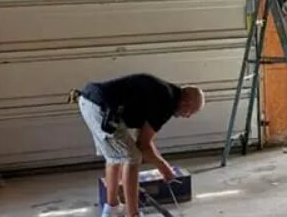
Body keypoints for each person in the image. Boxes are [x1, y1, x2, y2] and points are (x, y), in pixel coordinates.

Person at [68, 74, 205, 217]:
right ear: (186, 102)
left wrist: (162, 166)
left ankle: (111, 208)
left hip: (89, 101)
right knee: (132, 158)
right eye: (191, 111)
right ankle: (133, 214)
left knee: (115, 156)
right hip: (102, 109)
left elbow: (144, 140)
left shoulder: (165, 92)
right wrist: (164, 169)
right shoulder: (167, 102)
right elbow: (143, 145)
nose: (188, 116)